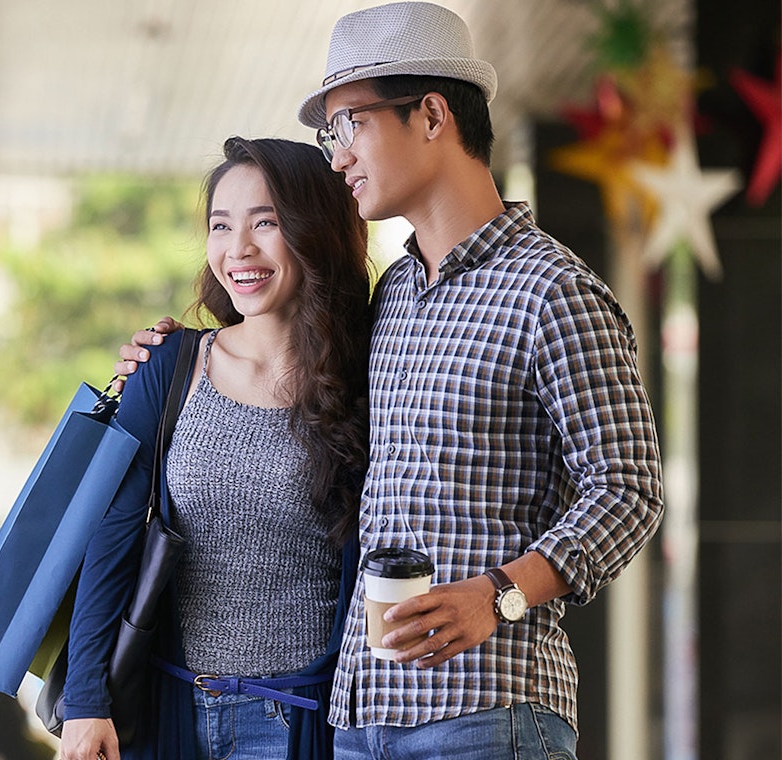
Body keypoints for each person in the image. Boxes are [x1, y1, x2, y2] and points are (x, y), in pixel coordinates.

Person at [117, 3, 665, 758]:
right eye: (330, 135)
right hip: (363, 717)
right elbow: (285, 355)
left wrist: (499, 595)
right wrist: (177, 355)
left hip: (487, 712)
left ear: (432, 115)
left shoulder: (553, 292)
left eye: (351, 124)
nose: (338, 156)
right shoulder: (394, 295)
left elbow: (630, 491)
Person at [60, 136, 372, 760]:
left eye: (266, 223)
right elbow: (112, 538)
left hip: (303, 722)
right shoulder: (170, 365)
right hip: (172, 712)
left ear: (316, 230)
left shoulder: (367, 376)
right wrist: (85, 700)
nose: (239, 249)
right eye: (221, 225)